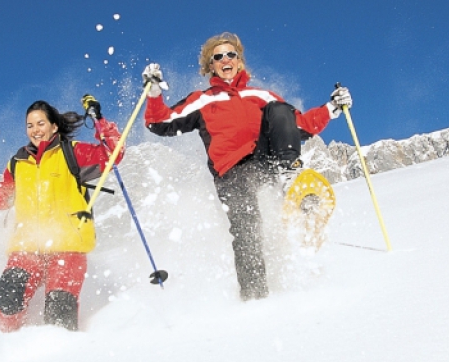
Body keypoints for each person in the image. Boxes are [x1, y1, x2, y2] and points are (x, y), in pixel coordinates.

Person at [141, 32, 352, 301]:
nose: (225, 59)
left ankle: (292, 180)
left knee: (279, 109)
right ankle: (255, 300)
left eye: (231, 54)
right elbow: (160, 122)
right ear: (210, 65)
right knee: (247, 229)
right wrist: (155, 92)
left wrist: (332, 108)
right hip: (232, 173)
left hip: (266, 160)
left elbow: (298, 125)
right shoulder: (202, 100)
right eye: (218, 56)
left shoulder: (261, 95)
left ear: (239, 61)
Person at [0, 98, 123, 332]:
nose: (35, 130)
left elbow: (113, 153)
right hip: (28, 248)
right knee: (8, 298)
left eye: (40, 124)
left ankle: (58, 357)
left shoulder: (72, 152)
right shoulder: (18, 163)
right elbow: (1, 196)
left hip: (67, 248)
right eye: (30, 125)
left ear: (54, 126)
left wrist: (98, 120)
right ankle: (12, 345)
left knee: (60, 311)